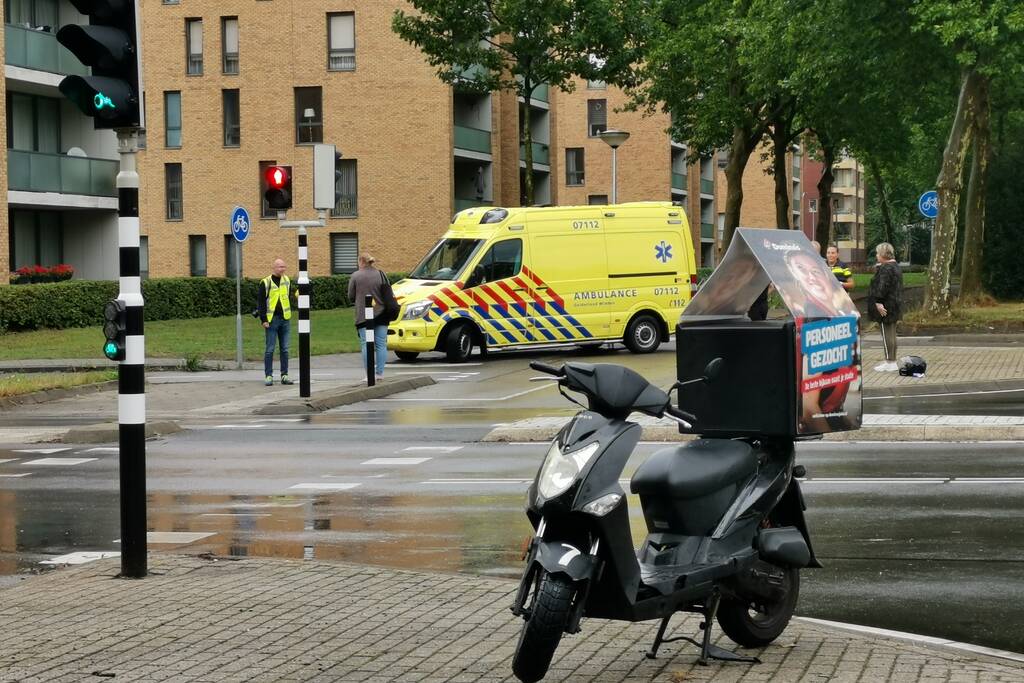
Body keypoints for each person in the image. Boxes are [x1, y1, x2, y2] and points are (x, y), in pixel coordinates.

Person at [348, 253, 389, 379]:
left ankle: (369, 374)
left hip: (363, 315)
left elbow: (351, 295)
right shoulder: (381, 274)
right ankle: (380, 373)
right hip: (382, 313)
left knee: (366, 344)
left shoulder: (356, 275)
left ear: (361, 261)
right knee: (381, 344)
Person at [258, 258, 296, 386]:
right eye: (280, 267)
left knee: (285, 349)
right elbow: (261, 303)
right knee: (270, 349)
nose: (282, 269)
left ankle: (284, 375)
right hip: (271, 320)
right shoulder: (266, 282)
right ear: (274, 267)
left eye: (284, 267)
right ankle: (268, 376)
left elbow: (288, 297)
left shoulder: (286, 280)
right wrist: (263, 319)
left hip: (285, 318)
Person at [867, 242, 902, 372]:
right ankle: (891, 359)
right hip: (894, 304)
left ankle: (890, 361)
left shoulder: (886, 268)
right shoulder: (895, 266)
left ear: (882, 254)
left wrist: (878, 302)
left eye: (877, 253)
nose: (876, 255)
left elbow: (882, 286)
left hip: (885, 305)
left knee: (887, 333)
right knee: (891, 333)